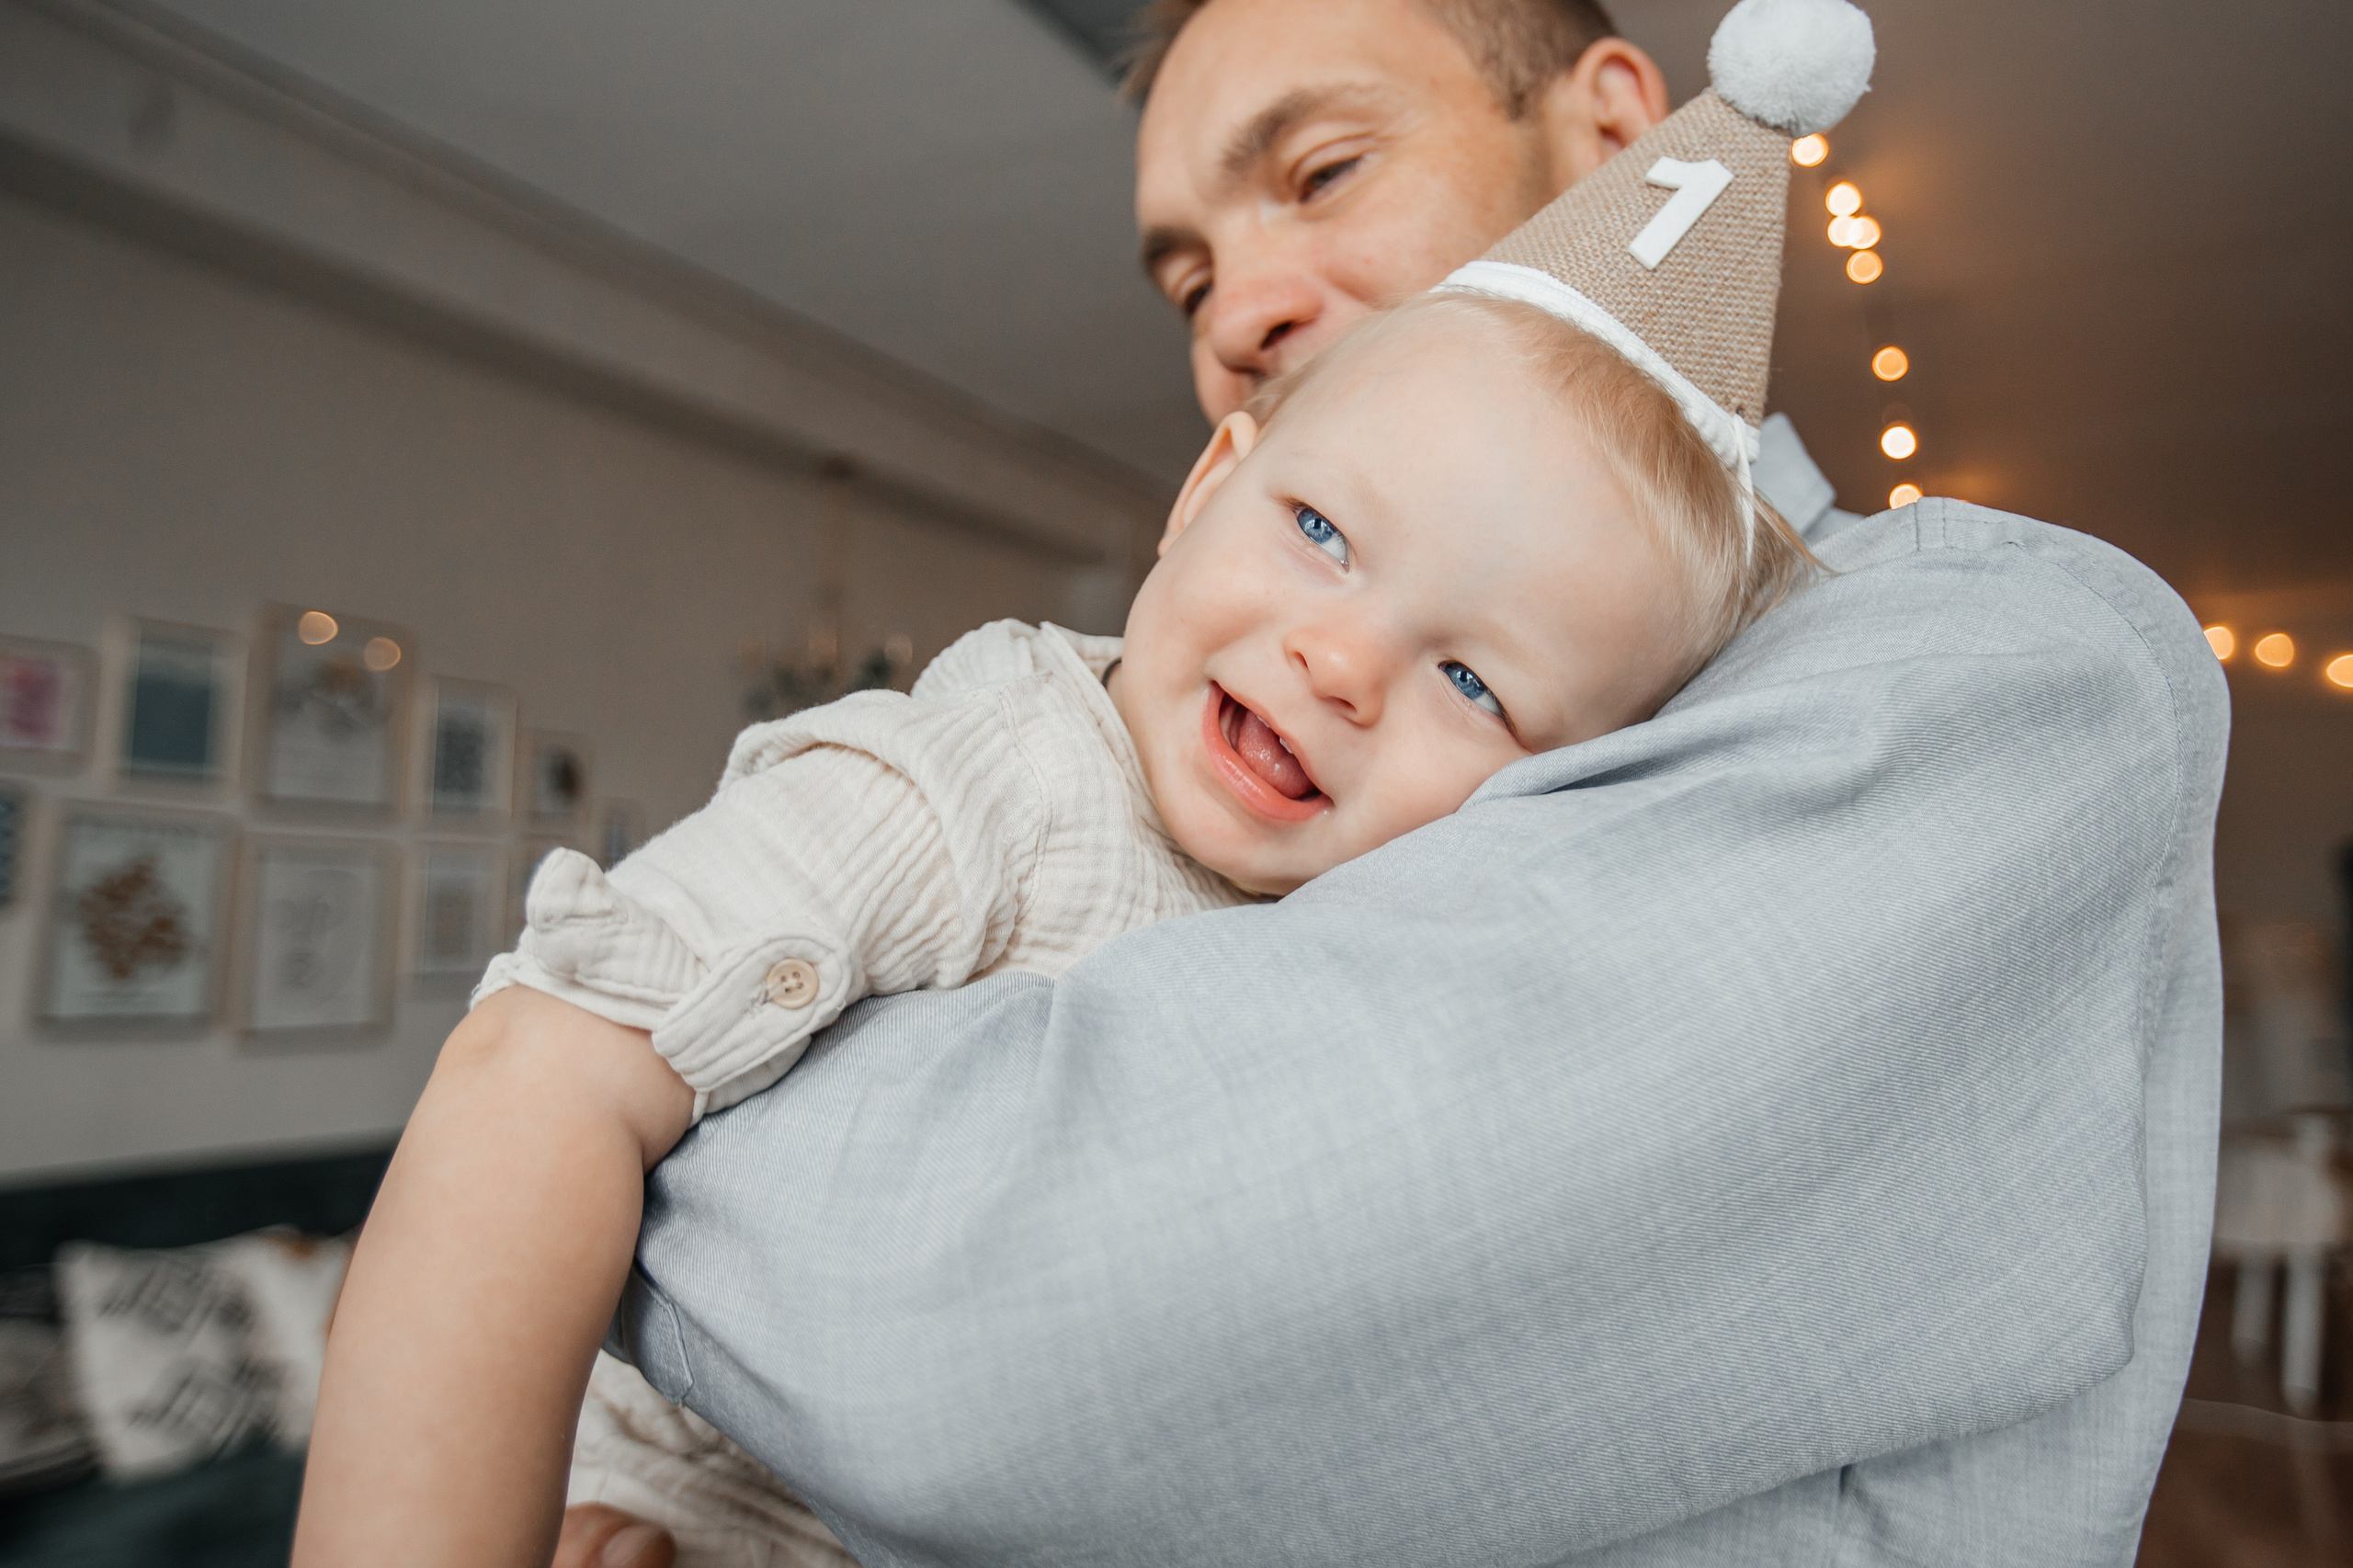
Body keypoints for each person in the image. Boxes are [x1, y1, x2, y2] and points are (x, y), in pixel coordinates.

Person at [335, 0, 2223, 1563]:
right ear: (1210, 486)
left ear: (1608, 127)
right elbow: (548, 1074)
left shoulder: (1980, 668)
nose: (1234, 305)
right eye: (1188, 275)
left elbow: (975, 1351)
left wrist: (668, 1139)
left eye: (1321, 171)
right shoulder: (1020, 755)